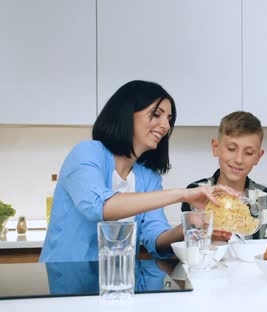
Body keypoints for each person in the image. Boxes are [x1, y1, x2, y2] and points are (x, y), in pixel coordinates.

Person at [40, 80, 236, 262]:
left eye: (169, 119)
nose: (166, 126)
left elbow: (155, 238)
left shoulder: (148, 177)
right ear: (126, 114)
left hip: (122, 281)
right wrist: (182, 194)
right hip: (68, 283)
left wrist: (190, 225)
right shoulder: (87, 153)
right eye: (157, 114)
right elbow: (99, 207)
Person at [180, 111, 267, 240]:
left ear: (258, 157)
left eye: (248, 152)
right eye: (231, 149)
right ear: (216, 148)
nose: (239, 159)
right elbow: (190, 244)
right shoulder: (194, 192)